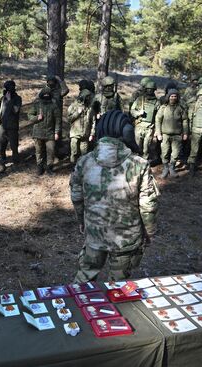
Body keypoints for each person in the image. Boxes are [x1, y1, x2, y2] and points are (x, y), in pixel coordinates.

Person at [71, 110, 159, 282]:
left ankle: (77, 305)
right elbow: (148, 204)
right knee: (118, 285)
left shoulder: (85, 161)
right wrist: (149, 232)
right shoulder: (139, 165)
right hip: (126, 239)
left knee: (85, 277)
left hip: (95, 234)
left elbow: (77, 197)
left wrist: (82, 221)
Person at [155, 89, 188, 178]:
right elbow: (158, 120)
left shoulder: (180, 108)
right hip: (165, 135)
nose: (173, 98)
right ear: (168, 97)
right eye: (171, 96)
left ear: (177, 97)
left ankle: (172, 168)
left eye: (175, 96)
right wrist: (158, 133)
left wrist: (185, 133)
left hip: (177, 135)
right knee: (164, 152)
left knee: (175, 153)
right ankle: (165, 168)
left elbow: (185, 120)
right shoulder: (163, 108)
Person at [28, 87, 62, 176]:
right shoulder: (37, 105)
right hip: (38, 132)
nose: (46, 96)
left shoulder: (54, 106)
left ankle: (49, 168)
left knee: (50, 151)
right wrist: (36, 118)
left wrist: (56, 132)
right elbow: (29, 116)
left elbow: (58, 120)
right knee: (39, 151)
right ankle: (40, 167)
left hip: (50, 133)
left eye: (48, 94)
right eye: (44, 94)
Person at [0, 80, 22, 173]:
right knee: (2, 146)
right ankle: (1, 163)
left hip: (12, 127)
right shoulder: (3, 98)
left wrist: (10, 100)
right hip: (2, 126)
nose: (8, 90)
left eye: (10, 88)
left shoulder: (17, 99)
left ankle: (16, 163)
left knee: (14, 146)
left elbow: (15, 110)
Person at [130, 80, 160, 160]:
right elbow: (132, 110)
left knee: (146, 149)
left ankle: (144, 163)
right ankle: (135, 163)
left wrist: (157, 130)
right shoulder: (140, 99)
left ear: (154, 90)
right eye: (148, 89)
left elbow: (158, 117)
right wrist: (138, 113)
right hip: (139, 126)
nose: (150, 91)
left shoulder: (156, 102)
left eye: (151, 89)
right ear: (145, 89)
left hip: (150, 128)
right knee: (137, 147)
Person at [68, 89, 95, 165]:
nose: (89, 99)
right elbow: (69, 119)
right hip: (75, 134)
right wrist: (77, 113)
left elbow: (93, 122)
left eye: (89, 97)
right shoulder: (74, 106)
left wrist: (92, 134)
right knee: (74, 152)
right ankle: (73, 168)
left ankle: (82, 170)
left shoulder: (90, 108)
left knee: (84, 154)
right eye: (87, 97)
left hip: (85, 135)